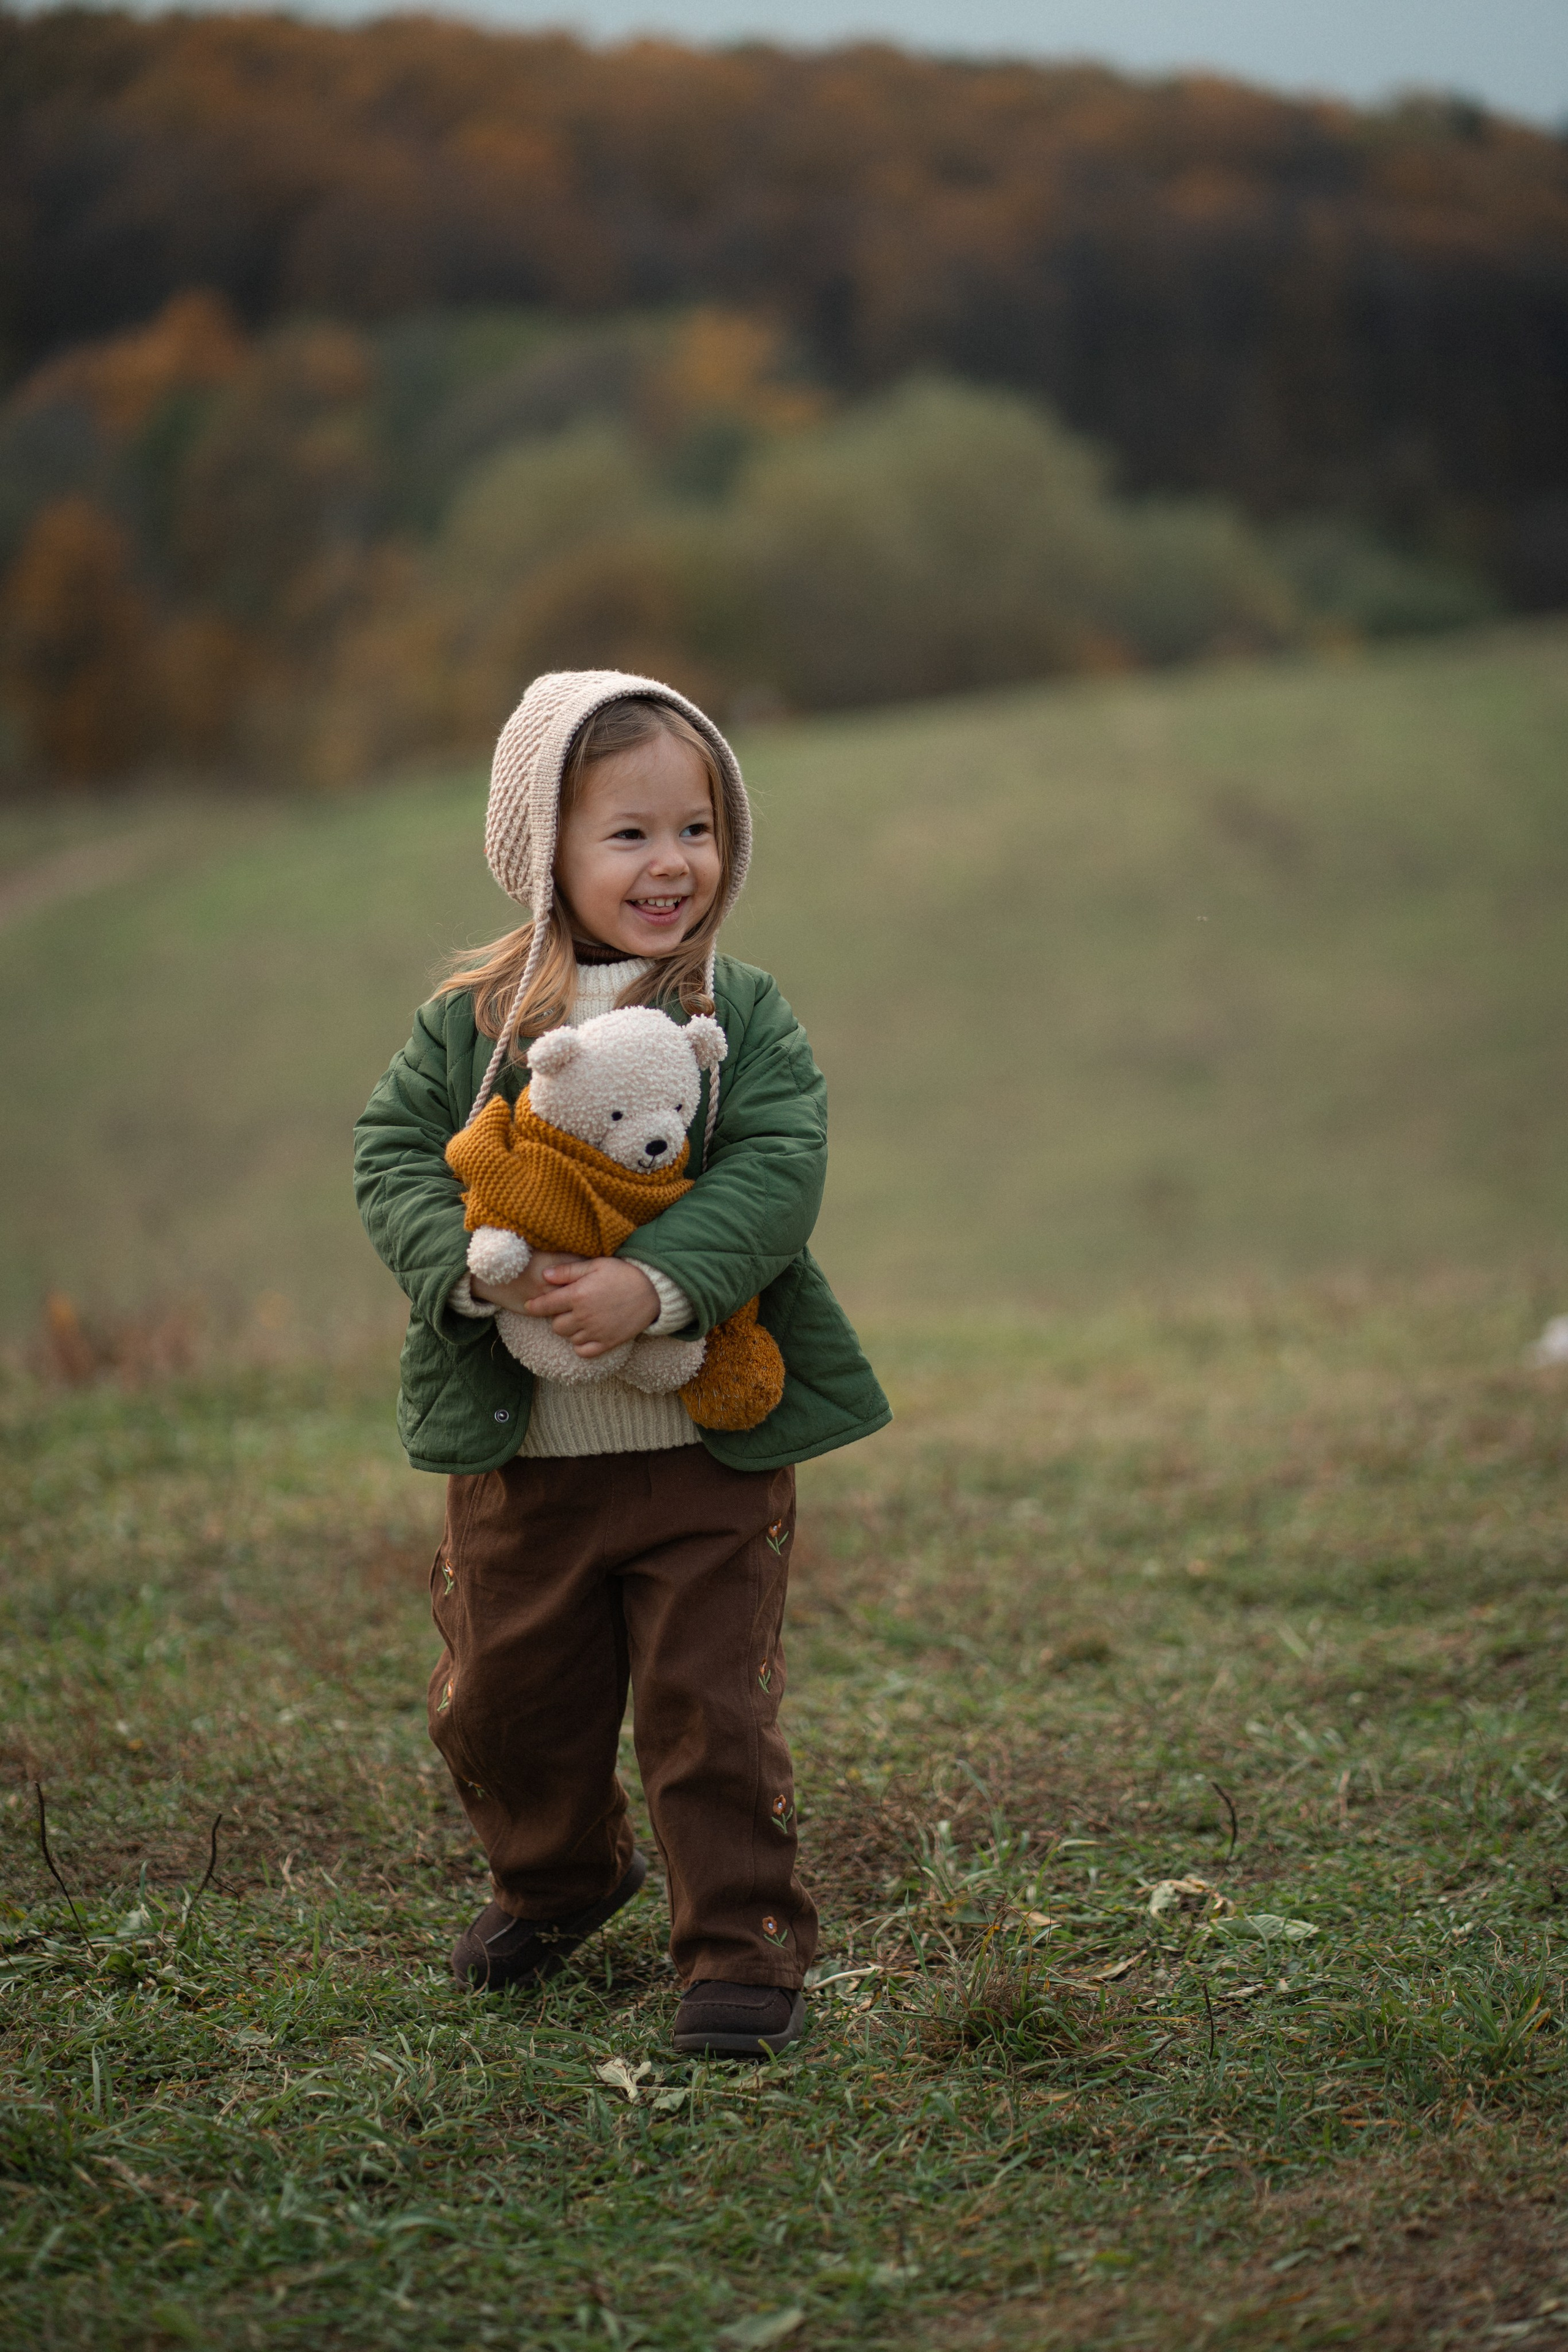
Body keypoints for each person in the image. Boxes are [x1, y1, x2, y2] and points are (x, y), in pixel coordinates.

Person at [354, 668, 890, 2057]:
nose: (672, 865)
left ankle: (740, 1949)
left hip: (699, 1455)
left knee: (708, 1711)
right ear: (547, 851)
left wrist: (656, 1285)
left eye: (697, 829)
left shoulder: (740, 1013)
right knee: (500, 1703)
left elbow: (780, 1166)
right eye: (629, 834)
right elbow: (393, 1155)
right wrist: (476, 1278)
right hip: (523, 1461)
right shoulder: (475, 1022)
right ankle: (561, 1877)